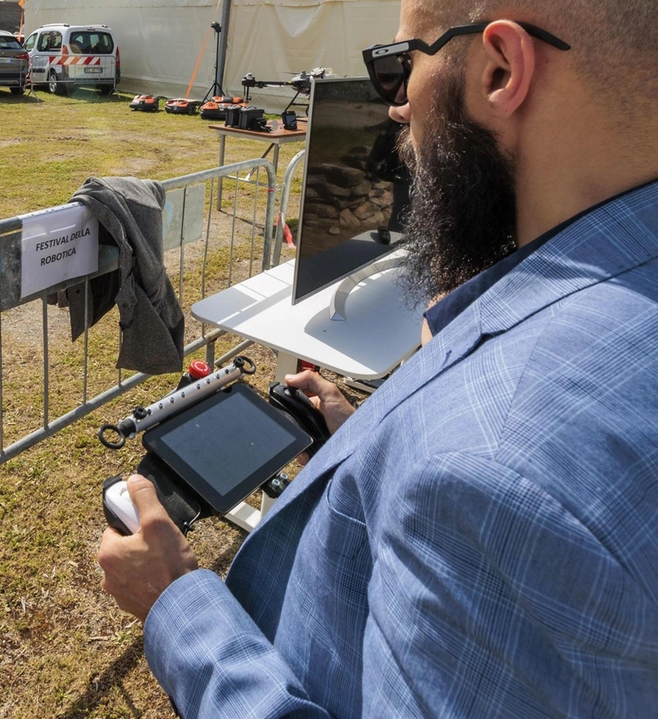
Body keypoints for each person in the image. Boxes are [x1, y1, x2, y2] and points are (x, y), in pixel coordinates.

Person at [97, 0, 658, 716]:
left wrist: (176, 602)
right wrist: (371, 441)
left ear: (499, 70)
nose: (395, 109)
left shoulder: (497, 475)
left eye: (398, 68)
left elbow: (500, 459)